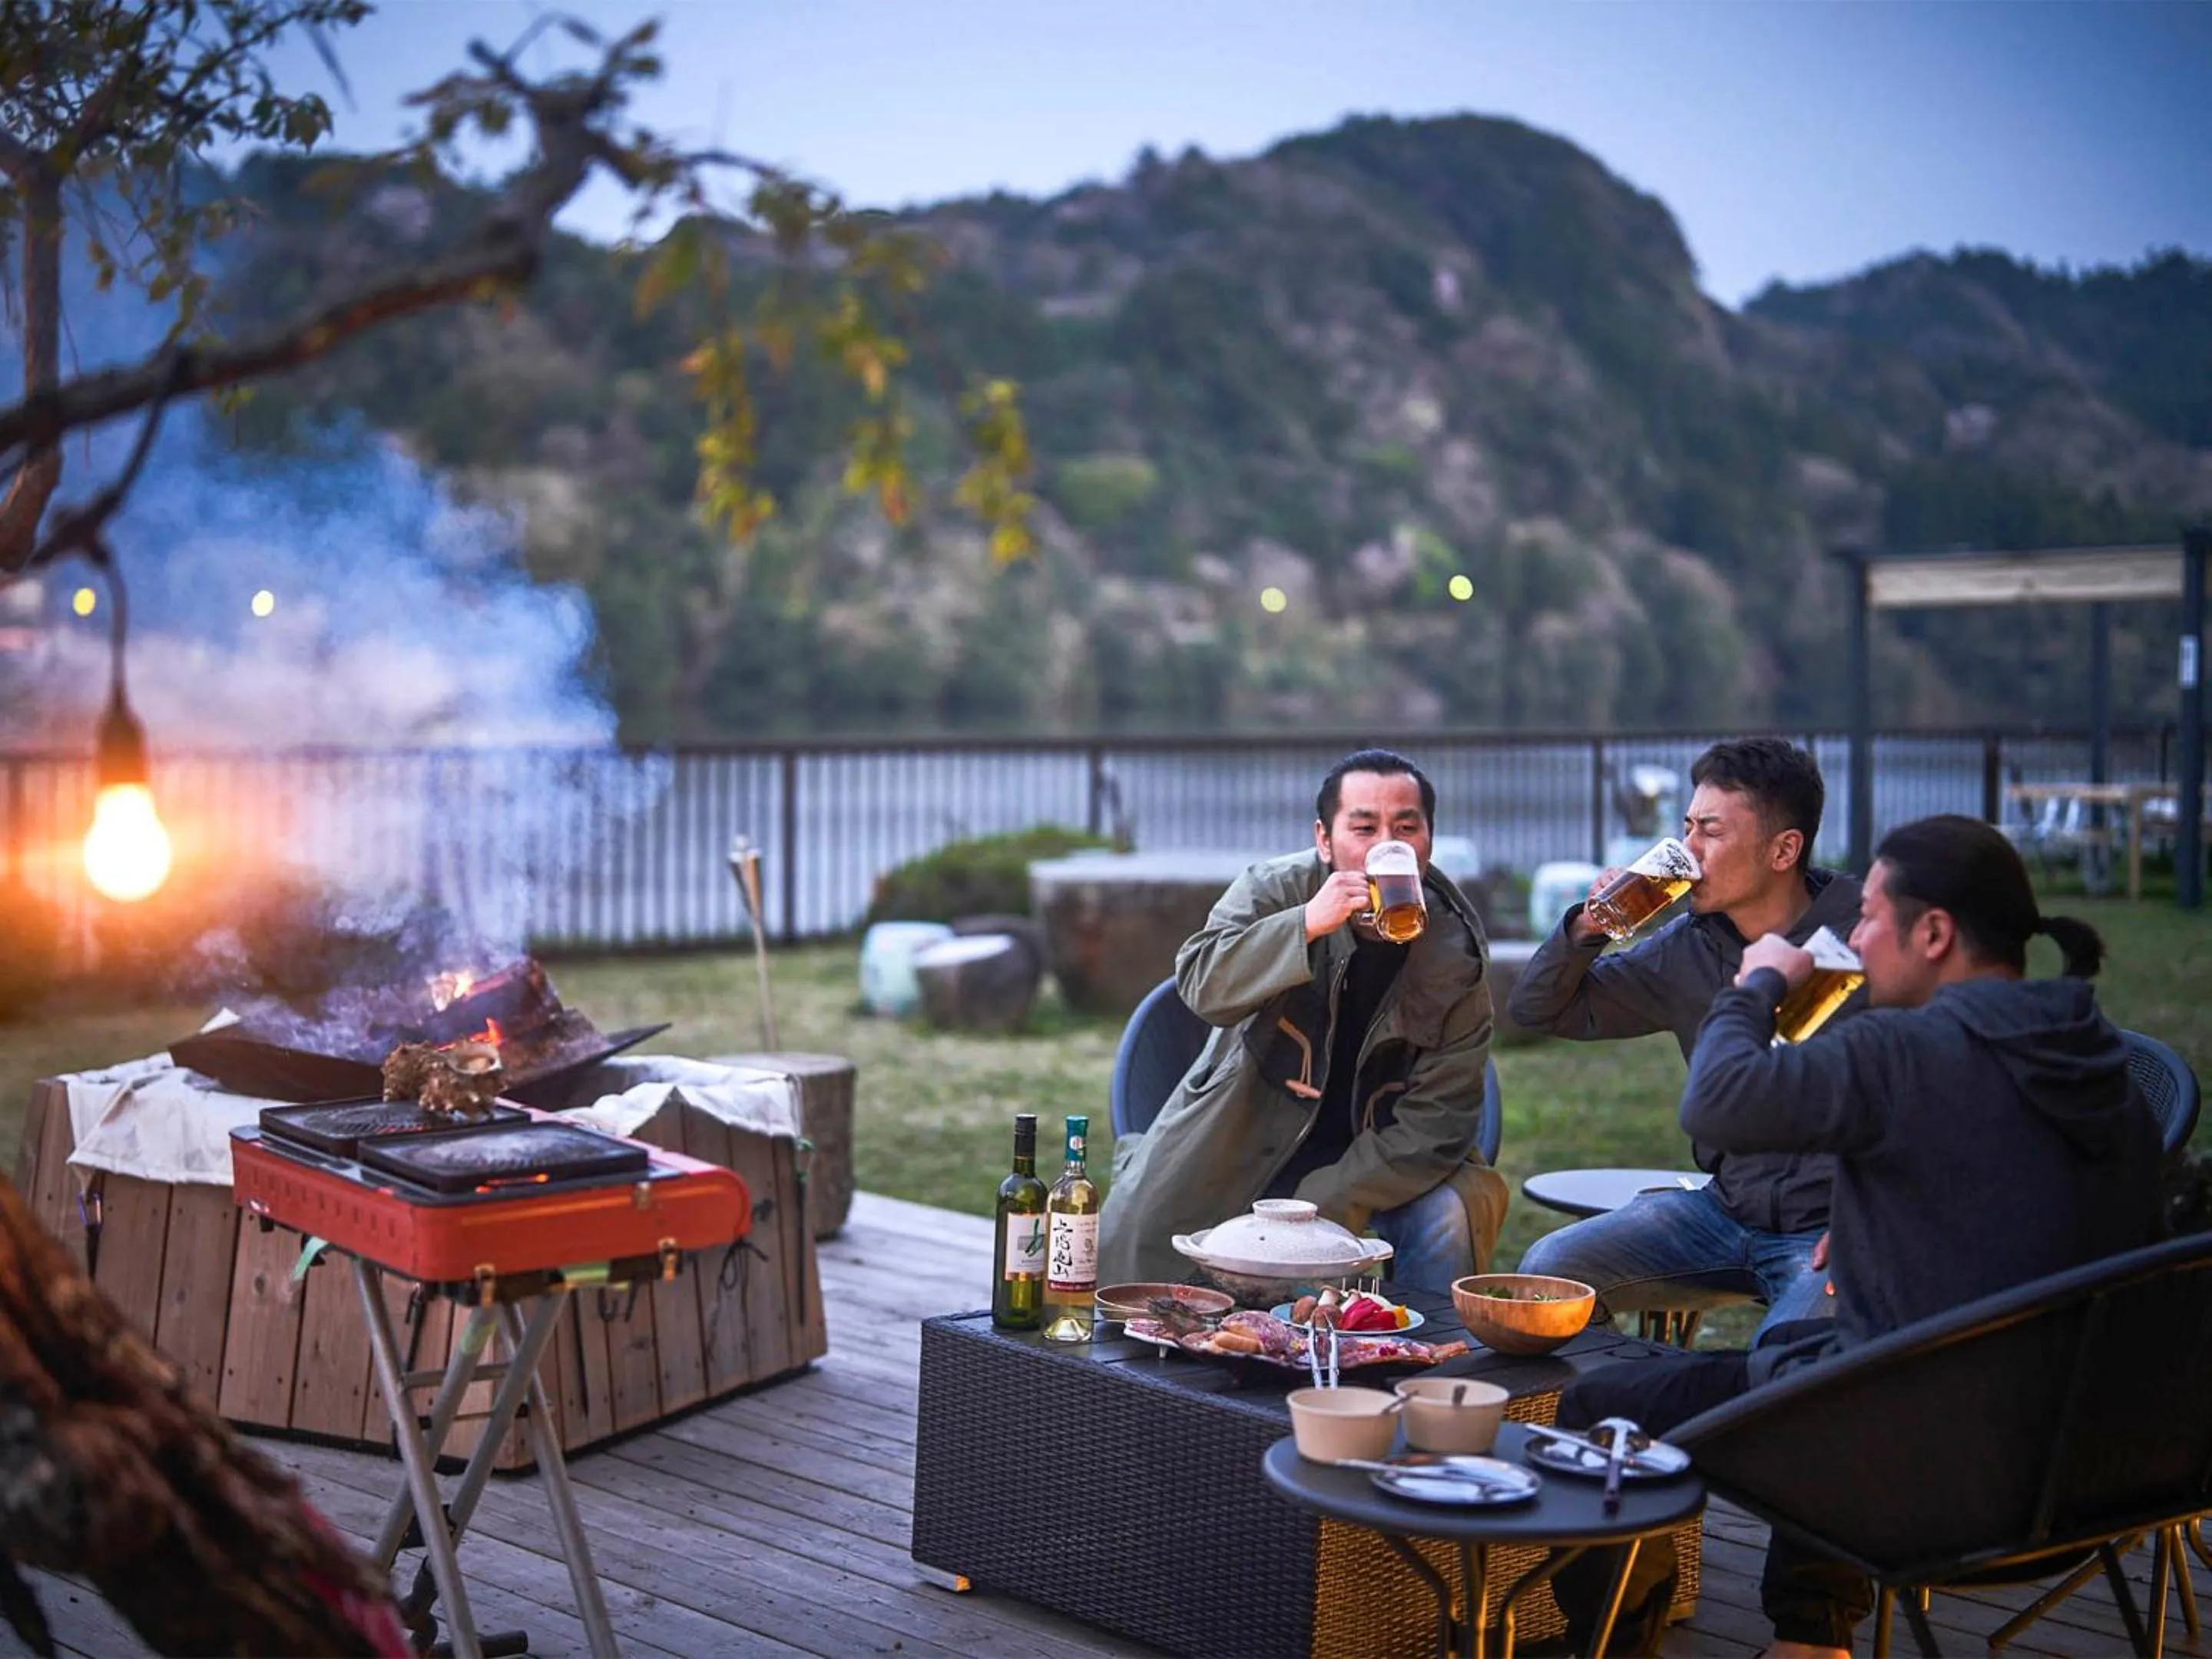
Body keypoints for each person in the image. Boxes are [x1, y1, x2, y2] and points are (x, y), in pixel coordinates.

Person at [1553, 813, 2164, 1658]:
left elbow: (1718, 1102)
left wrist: (1756, 984)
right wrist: (1885, 1215)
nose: (1855, 935)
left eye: (1871, 916)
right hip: (2100, 1472)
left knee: (1603, 1404)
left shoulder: (1903, 1049)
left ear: (1936, 934)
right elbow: (2024, 1192)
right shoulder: (2094, 1058)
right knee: (1818, 1348)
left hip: (1926, 1472)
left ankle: (1621, 1643)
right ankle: (1812, 1639)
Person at [1097, 748, 1508, 1293]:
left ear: (1429, 840)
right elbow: (1201, 986)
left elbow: (1436, 1124)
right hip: (1242, 1134)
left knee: (1448, 1219)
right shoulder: (1274, 890)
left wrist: (1323, 1201)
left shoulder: (1454, 952)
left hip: (1379, 1164)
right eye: (1364, 827)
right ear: (1324, 839)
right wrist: (1306, 925)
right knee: (1137, 1253)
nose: (1388, 845)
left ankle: (1425, 1361)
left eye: (1406, 827)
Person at [1511, 737, 1861, 1336]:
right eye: (1687, 826)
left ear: (1784, 849)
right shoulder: (1692, 945)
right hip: (1723, 1210)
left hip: (1832, 1225)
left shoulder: (1864, 937)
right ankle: (1611, 1410)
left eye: (1712, 832)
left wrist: (1872, 1219)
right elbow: (1543, 1009)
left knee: (1791, 1354)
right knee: (1548, 1277)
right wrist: (1588, 926)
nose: (1686, 852)